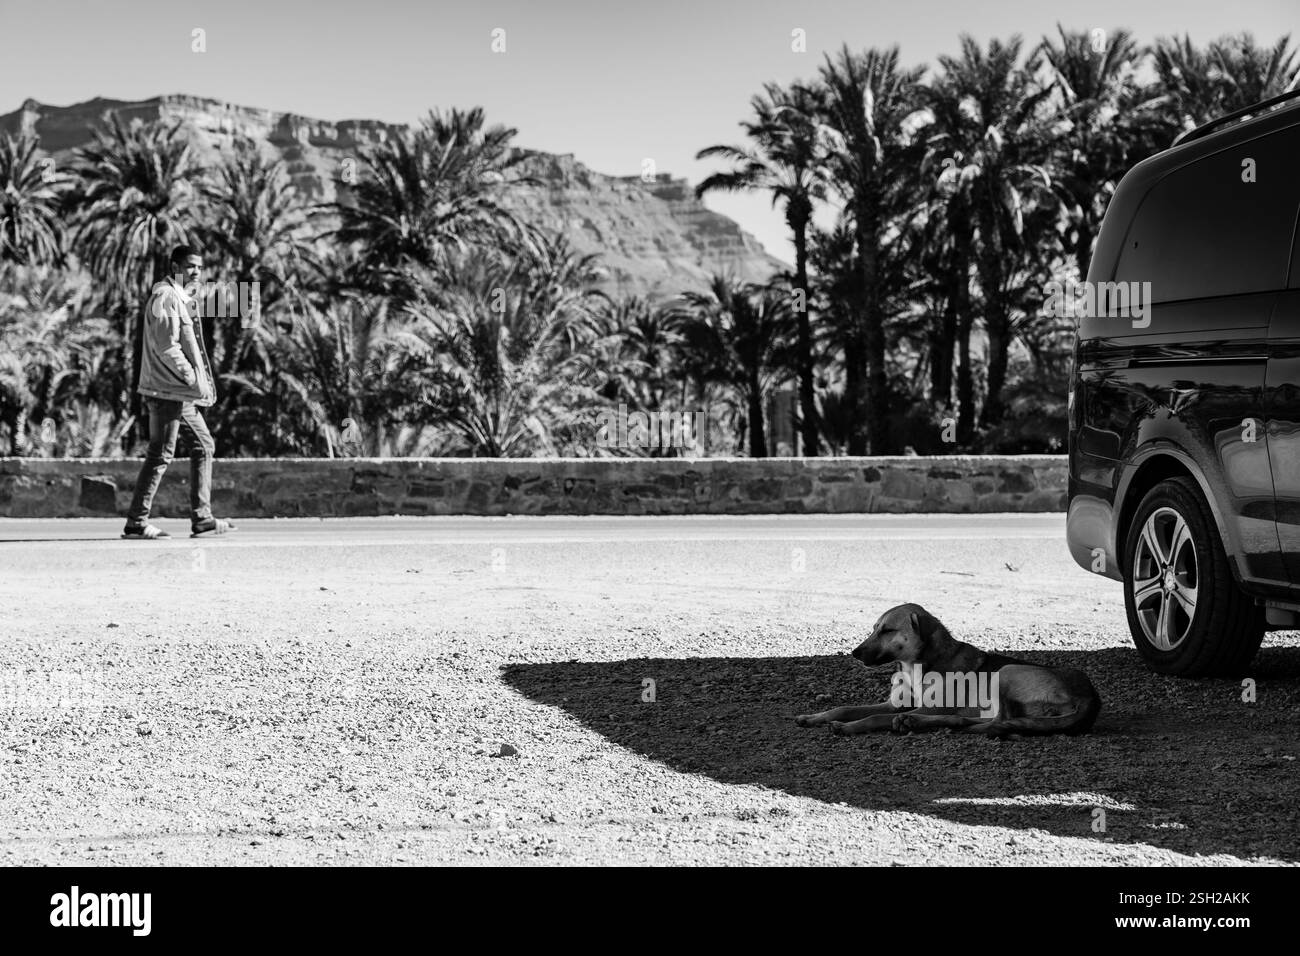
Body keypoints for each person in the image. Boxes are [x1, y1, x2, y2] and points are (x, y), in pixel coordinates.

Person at [121, 244, 236, 539]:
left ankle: (203, 518)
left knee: (203, 445)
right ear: (175, 267)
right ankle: (137, 522)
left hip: (177, 392)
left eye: (199, 267)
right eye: (189, 266)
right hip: (167, 391)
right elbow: (166, 345)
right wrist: (191, 377)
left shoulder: (181, 298)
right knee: (160, 454)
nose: (196, 271)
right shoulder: (166, 297)